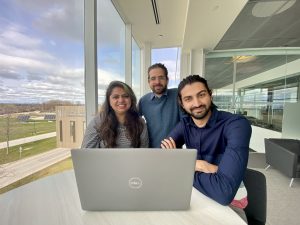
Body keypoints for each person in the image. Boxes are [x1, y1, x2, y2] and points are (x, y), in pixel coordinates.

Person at [161, 75, 251, 221]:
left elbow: (224, 192)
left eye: (201, 95)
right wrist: (205, 166)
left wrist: (183, 165)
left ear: (210, 95)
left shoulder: (236, 124)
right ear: (182, 103)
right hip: (196, 196)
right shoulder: (185, 124)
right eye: (188, 99)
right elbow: (163, 157)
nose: (197, 103)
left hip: (231, 206)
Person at [81, 81, 149, 148]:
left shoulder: (140, 123)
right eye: (115, 97)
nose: (121, 100)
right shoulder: (97, 122)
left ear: (131, 99)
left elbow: (144, 151)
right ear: (109, 101)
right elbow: (86, 152)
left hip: (132, 159)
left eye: (125, 96)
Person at [138, 63, 181, 148]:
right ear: (148, 81)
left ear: (167, 79)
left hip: (174, 150)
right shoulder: (143, 101)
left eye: (161, 78)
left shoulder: (178, 95)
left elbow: (185, 122)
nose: (157, 82)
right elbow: (131, 120)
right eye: (153, 78)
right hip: (150, 152)